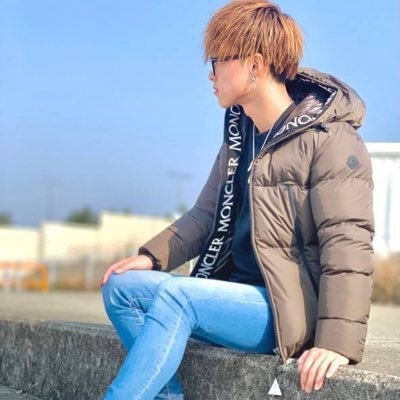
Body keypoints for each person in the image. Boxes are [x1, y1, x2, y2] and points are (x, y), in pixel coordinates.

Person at [100, 0, 375, 398]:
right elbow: (207, 214)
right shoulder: (240, 136)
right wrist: (152, 257)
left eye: (217, 61)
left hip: (286, 309)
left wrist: (336, 342)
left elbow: (347, 241)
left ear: (255, 65)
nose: (210, 74)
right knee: (121, 288)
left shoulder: (329, 139)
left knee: (178, 296)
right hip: (232, 293)